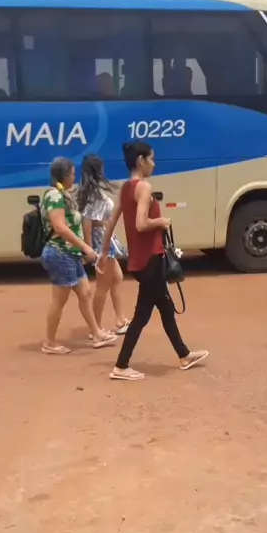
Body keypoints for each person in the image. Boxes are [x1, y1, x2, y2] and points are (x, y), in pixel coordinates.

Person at [99, 142, 208, 381]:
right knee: (142, 316)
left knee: (165, 309)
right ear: (141, 160)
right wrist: (161, 222)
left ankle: (184, 355)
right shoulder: (143, 187)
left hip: (140, 262)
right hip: (150, 261)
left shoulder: (126, 188)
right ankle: (121, 366)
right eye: (152, 159)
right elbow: (141, 224)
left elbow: (112, 221)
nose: (154, 164)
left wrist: (104, 251)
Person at [40, 157, 117, 355]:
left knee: (85, 293)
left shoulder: (62, 195)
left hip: (69, 254)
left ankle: (96, 333)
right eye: (72, 174)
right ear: (65, 175)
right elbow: (59, 227)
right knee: (59, 299)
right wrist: (85, 247)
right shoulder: (54, 196)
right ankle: (49, 342)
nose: (75, 177)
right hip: (60, 253)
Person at [76, 154, 129, 336]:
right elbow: (87, 221)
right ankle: (96, 328)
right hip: (101, 242)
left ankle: (120, 319)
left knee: (117, 278)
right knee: (103, 285)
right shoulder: (94, 194)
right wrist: (89, 248)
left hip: (104, 240)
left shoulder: (90, 191)